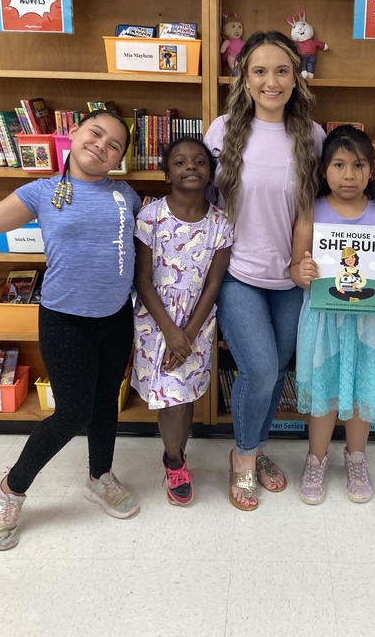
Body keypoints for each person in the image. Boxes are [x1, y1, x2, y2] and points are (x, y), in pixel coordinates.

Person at [0, 111, 142, 551]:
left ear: (118, 160)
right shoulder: (42, 191)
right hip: (64, 319)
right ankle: (9, 489)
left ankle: (100, 476)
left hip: (115, 317)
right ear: (72, 134)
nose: (102, 146)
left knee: (106, 399)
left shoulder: (126, 195)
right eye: (95, 133)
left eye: (114, 145)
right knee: (73, 413)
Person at [204, 30, 325, 511]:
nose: (270, 81)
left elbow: (313, 208)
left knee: (275, 373)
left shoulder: (312, 135)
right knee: (257, 367)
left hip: (293, 278)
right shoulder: (222, 129)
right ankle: (244, 459)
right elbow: (204, 201)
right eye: (260, 70)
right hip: (238, 274)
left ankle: (252, 447)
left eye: (281, 70)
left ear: (296, 78)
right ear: (245, 77)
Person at [291, 125, 375, 504]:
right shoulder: (312, 210)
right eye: (339, 165)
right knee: (325, 391)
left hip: (371, 321)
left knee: (363, 391)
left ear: (371, 170)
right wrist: (303, 273)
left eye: (358, 165)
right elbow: (295, 266)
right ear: (323, 169)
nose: (348, 175)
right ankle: (316, 459)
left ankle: (356, 459)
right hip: (325, 321)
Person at [132, 137, 232, 505]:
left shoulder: (221, 223)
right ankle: (174, 461)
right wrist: (171, 333)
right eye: (180, 162)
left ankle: (177, 455)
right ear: (166, 172)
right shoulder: (150, 217)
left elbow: (215, 282)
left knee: (184, 394)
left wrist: (187, 334)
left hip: (197, 324)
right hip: (155, 322)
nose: (191, 167)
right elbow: (142, 280)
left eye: (199, 161)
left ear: (211, 172)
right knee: (171, 398)